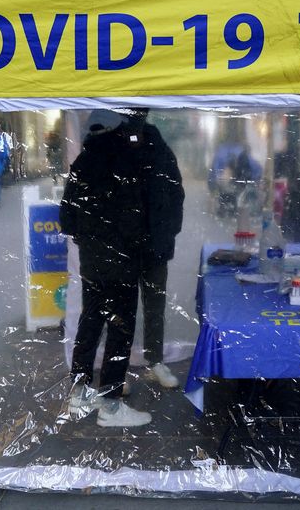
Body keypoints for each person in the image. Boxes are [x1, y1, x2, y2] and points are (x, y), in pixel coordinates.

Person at [60, 108, 183, 426]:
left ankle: (81, 392)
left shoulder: (88, 155)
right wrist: (135, 246)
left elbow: (67, 216)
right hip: (122, 259)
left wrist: (89, 241)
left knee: (91, 322)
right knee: (120, 327)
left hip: (97, 259)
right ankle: (110, 405)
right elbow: (135, 212)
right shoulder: (127, 154)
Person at [121, 108, 185, 389]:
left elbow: (175, 194)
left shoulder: (159, 149)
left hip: (150, 246)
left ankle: (152, 361)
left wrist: (168, 232)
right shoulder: (115, 148)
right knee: (129, 309)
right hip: (129, 246)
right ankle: (122, 368)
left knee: (147, 308)